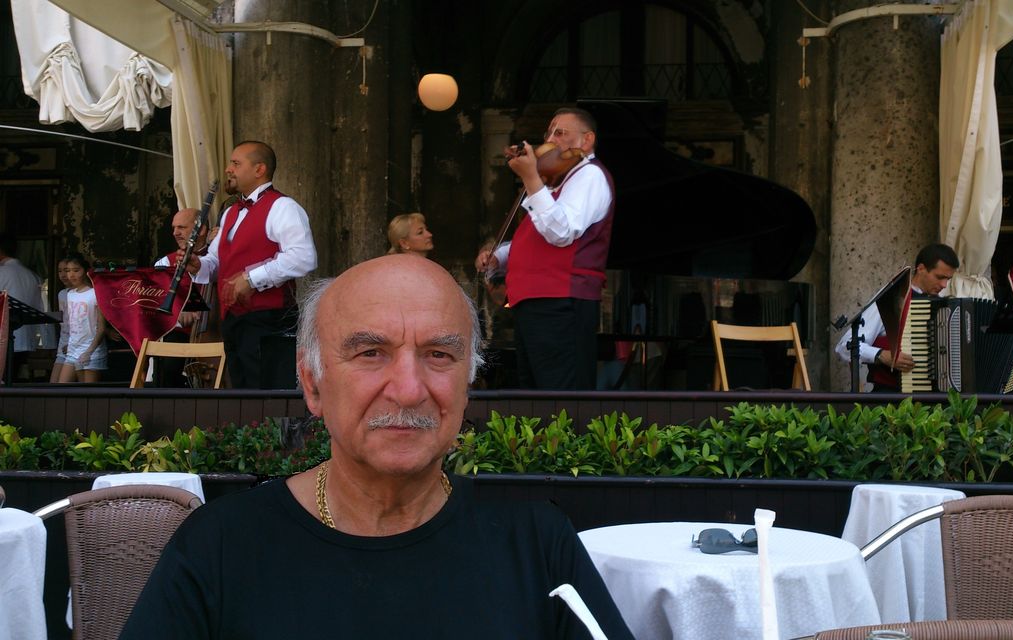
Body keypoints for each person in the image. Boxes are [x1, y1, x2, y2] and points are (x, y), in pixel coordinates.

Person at [120, 255, 634, 639]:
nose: (409, 389)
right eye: (371, 353)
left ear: (467, 382)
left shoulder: (538, 546)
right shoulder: (221, 546)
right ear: (314, 384)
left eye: (438, 354)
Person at [474, 107, 615, 390]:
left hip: (560, 300)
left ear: (586, 141)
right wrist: (499, 257)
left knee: (559, 393)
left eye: (560, 133)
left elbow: (562, 232)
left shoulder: (589, 175)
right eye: (548, 132)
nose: (549, 140)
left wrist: (531, 179)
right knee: (536, 391)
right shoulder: (554, 184)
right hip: (538, 301)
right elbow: (537, 239)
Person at [185, 141, 317, 388]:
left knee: (268, 394)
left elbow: (303, 257)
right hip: (233, 320)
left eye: (236, 163)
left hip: (270, 318)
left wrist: (252, 278)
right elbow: (217, 261)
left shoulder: (283, 207)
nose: (228, 169)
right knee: (242, 392)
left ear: (259, 169)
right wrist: (198, 265)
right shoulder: (230, 212)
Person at [835, 243, 959, 392]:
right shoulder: (893, 297)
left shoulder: (944, 306)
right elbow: (846, 345)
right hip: (891, 399)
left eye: (948, 279)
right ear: (921, 269)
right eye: (939, 277)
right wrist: (881, 355)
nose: (944, 285)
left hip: (933, 401)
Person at [152, 208, 208, 387]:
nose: (175, 232)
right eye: (174, 227)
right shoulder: (165, 263)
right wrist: (177, 314)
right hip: (177, 335)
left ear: (202, 230)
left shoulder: (217, 259)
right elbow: (153, 305)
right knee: (168, 371)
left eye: (182, 227)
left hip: (212, 334)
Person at [0, 232, 50, 375]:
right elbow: (43, 308)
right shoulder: (33, 275)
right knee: (13, 376)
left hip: (4, 339)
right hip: (26, 338)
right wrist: (47, 341)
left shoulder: (2, 272)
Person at [56, 254, 106, 383]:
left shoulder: (95, 293)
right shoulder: (69, 294)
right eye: (68, 271)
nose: (71, 275)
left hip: (91, 348)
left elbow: (101, 328)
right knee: (61, 388)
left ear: (85, 271)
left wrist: (89, 351)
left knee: (88, 394)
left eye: (76, 270)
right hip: (72, 350)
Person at [49, 258, 73, 383]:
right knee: (53, 384)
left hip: (78, 346)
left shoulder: (86, 293)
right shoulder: (62, 294)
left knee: (64, 385)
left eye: (67, 270)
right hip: (63, 345)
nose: (63, 275)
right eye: (60, 271)